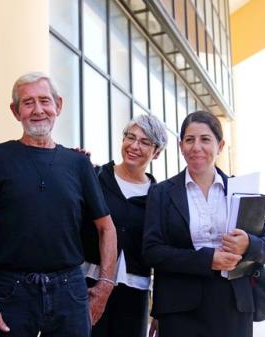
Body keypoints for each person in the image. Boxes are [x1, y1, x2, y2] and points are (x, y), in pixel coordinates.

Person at [0, 72, 117, 337]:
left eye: (44, 101)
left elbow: (106, 228)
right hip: (10, 290)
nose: (38, 110)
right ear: (15, 111)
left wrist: (105, 285)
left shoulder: (79, 164)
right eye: (28, 103)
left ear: (58, 105)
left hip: (69, 290)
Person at [142, 110, 265, 337]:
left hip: (233, 307)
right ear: (181, 146)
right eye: (189, 140)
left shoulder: (241, 190)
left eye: (205, 139)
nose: (197, 147)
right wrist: (209, 259)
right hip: (179, 310)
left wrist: (248, 245)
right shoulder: (162, 193)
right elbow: (151, 252)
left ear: (220, 145)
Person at [80, 114, 166, 337]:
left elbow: (162, 256)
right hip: (89, 285)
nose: (134, 146)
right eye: (131, 137)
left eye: (145, 142)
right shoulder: (96, 178)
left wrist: (160, 310)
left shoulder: (159, 197)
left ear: (156, 152)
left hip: (135, 294)